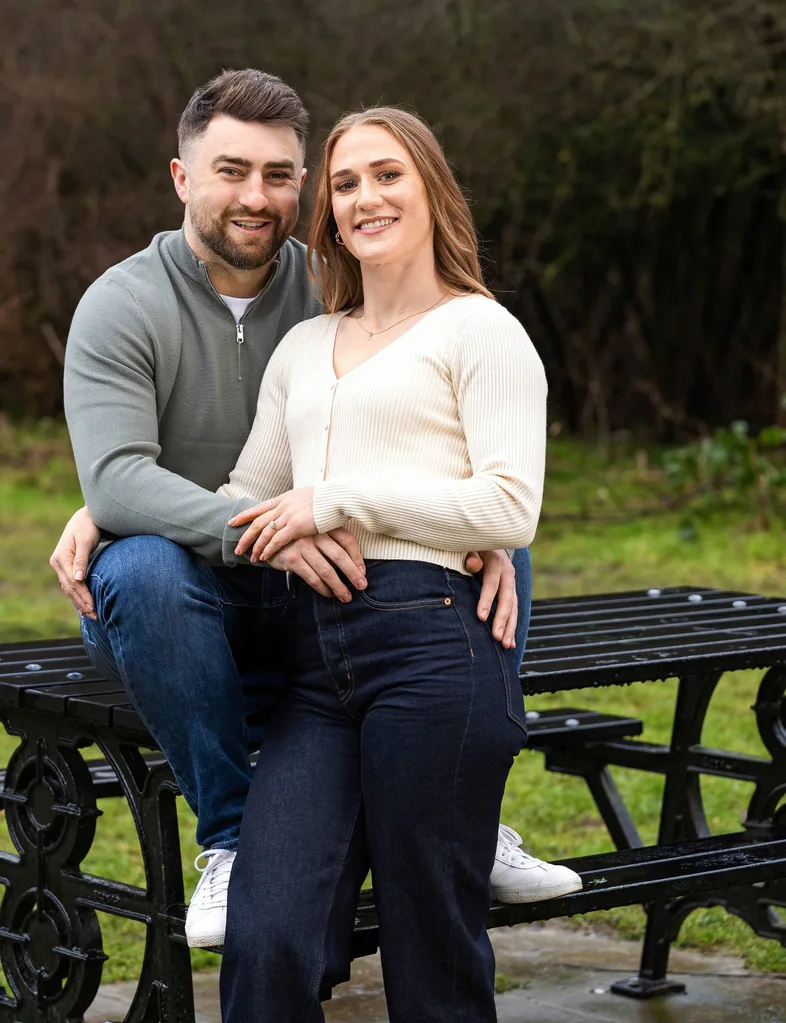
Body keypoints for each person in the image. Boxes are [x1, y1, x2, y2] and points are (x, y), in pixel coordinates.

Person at [53, 70, 581, 951]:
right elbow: (119, 480)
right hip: (188, 602)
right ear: (183, 178)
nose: (256, 196)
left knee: (501, 550)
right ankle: (229, 836)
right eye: (231, 170)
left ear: (303, 186)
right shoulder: (121, 305)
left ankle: (465, 810)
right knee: (139, 563)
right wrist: (141, 513)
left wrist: (472, 526)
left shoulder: (333, 286)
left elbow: (401, 423)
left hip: (330, 584)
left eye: (280, 174)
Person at [217, 105, 576, 1023]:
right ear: (328, 213)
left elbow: (509, 505)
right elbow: (242, 493)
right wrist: (114, 500)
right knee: (267, 936)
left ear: (430, 190)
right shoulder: (304, 345)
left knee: (433, 944)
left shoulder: (479, 331)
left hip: (436, 650)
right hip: (314, 671)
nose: (364, 197)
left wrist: (334, 500)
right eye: (343, 184)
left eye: (387, 175)